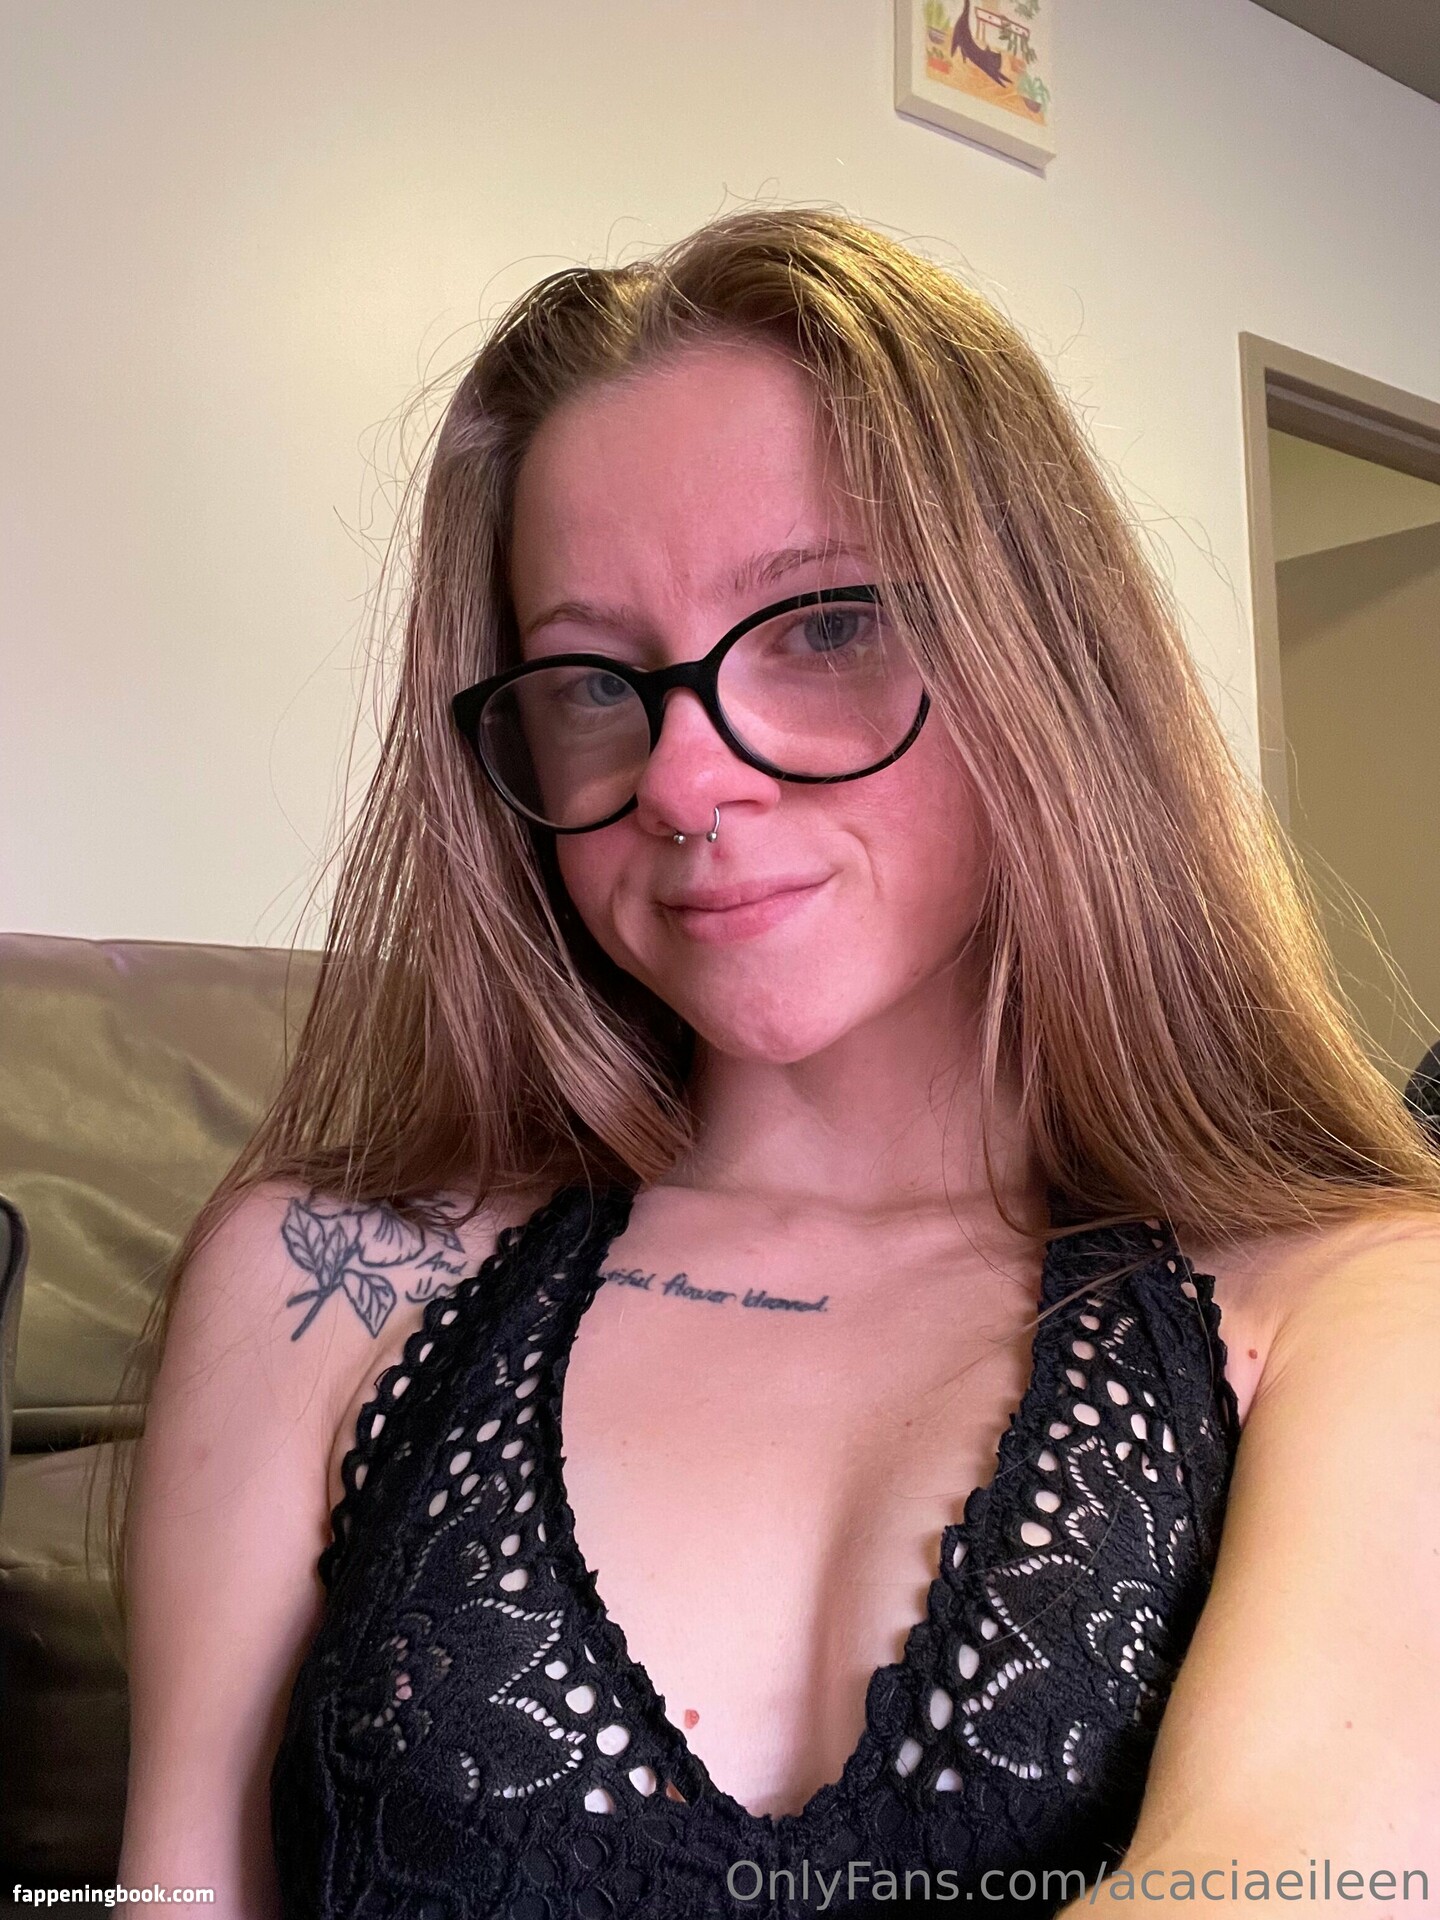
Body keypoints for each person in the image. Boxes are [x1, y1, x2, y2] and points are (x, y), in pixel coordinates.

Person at [113, 209, 1440, 1919]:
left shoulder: (1365, 1302)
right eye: (592, 681)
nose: (680, 781)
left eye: (822, 627)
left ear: (1051, 661)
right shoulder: (323, 1280)